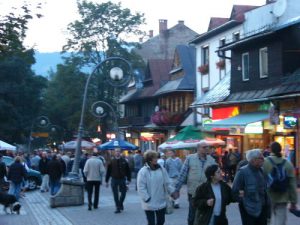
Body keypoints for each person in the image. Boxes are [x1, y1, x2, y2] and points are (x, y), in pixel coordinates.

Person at [174, 141, 217, 225]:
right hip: (193, 192)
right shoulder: (190, 158)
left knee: (205, 215)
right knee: (192, 216)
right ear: (198, 149)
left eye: (207, 147)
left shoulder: (211, 160)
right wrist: (177, 189)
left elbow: (216, 175)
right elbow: (183, 174)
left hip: (207, 193)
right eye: (204, 147)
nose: (206, 148)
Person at [263, 142, 298, 225]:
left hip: (268, 196)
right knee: (280, 220)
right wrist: (293, 201)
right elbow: (292, 184)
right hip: (283, 196)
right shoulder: (288, 164)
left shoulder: (264, 162)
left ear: (270, 150)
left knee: (267, 219)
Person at [232, 149, 270, 225]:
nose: (263, 159)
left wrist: (268, 210)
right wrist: (243, 200)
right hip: (248, 211)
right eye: (261, 158)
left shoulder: (262, 171)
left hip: (262, 210)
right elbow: (234, 192)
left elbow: (265, 192)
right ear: (253, 160)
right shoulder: (242, 172)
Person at [137, 150, 175, 225]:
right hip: (149, 202)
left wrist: (172, 191)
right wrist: (146, 198)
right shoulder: (143, 171)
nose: (156, 159)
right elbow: (141, 186)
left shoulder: (161, 169)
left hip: (161, 200)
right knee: (151, 223)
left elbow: (167, 182)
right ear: (149, 159)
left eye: (156, 157)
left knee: (161, 221)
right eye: (154, 157)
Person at [105, 148, 131, 213]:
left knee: (123, 193)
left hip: (122, 179)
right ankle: (117, 207)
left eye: (119, 151)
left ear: (120, 152)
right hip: (114, 179)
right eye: (116, 151)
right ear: (114, 152)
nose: (117, 153)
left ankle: (120, 203)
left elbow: (128, 171)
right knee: (115, 194)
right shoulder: (111, 161)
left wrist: (129, 179)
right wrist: (106, 181)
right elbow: (108, 171)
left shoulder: (124, 161)